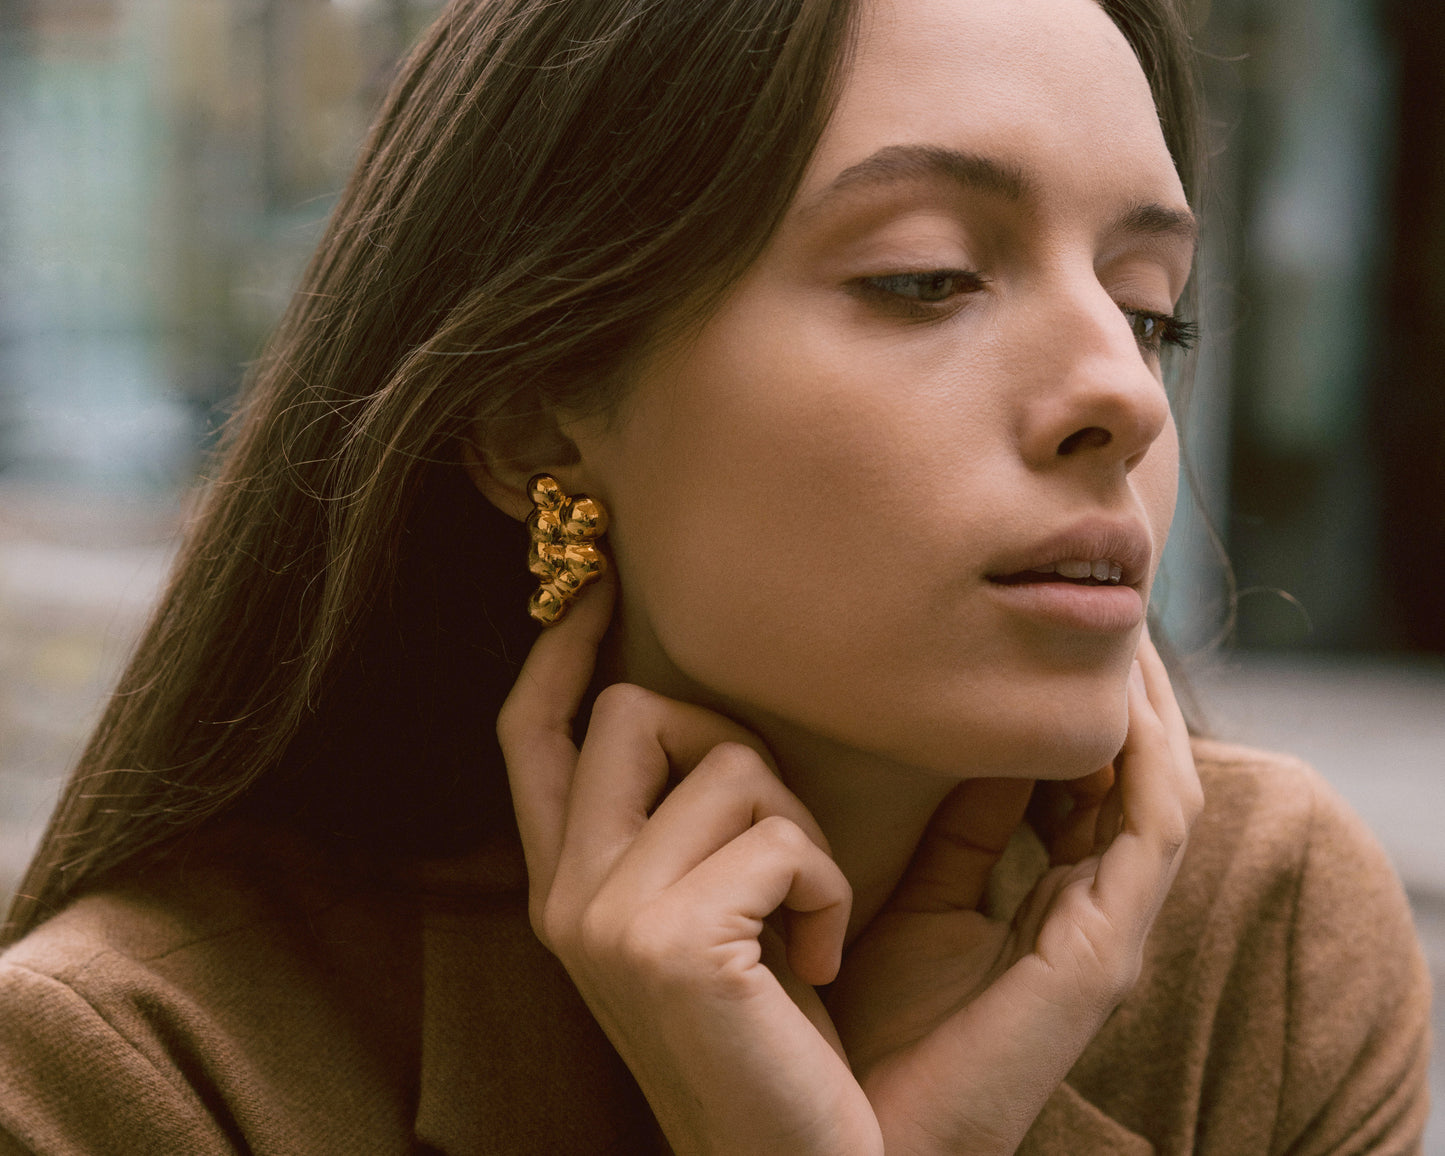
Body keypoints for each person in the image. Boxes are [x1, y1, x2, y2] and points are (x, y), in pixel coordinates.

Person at [0, 0, 1430, 1151]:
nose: (1118, 391)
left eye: (1149, 313)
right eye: (925, 277)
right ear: (536, 414)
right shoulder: (130, 1073)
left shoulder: (1259, 935)